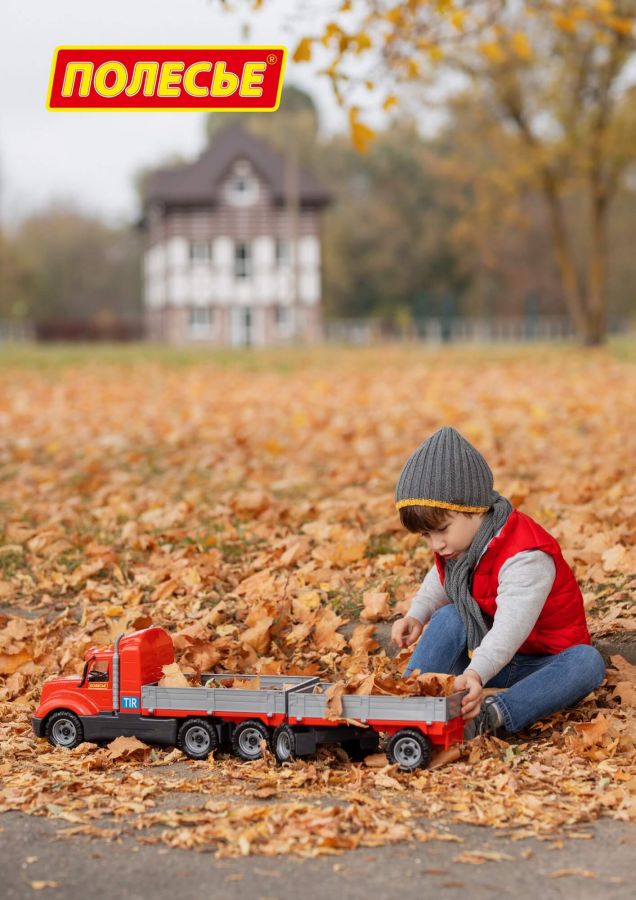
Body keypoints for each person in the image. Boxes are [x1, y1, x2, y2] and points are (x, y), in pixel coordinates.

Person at [391, 425, 605, 737]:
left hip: (540, 665)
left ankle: (493, 715)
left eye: (442, 530)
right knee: (451, 615)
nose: (435, 544)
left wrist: (476, 672)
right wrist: (416, 614)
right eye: (427, 535)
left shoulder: (526, 556)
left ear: (475, 510)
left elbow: (510, 629)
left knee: (587, 663)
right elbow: (440, 580)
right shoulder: (461, 546)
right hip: (488, 658)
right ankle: (408, 698)